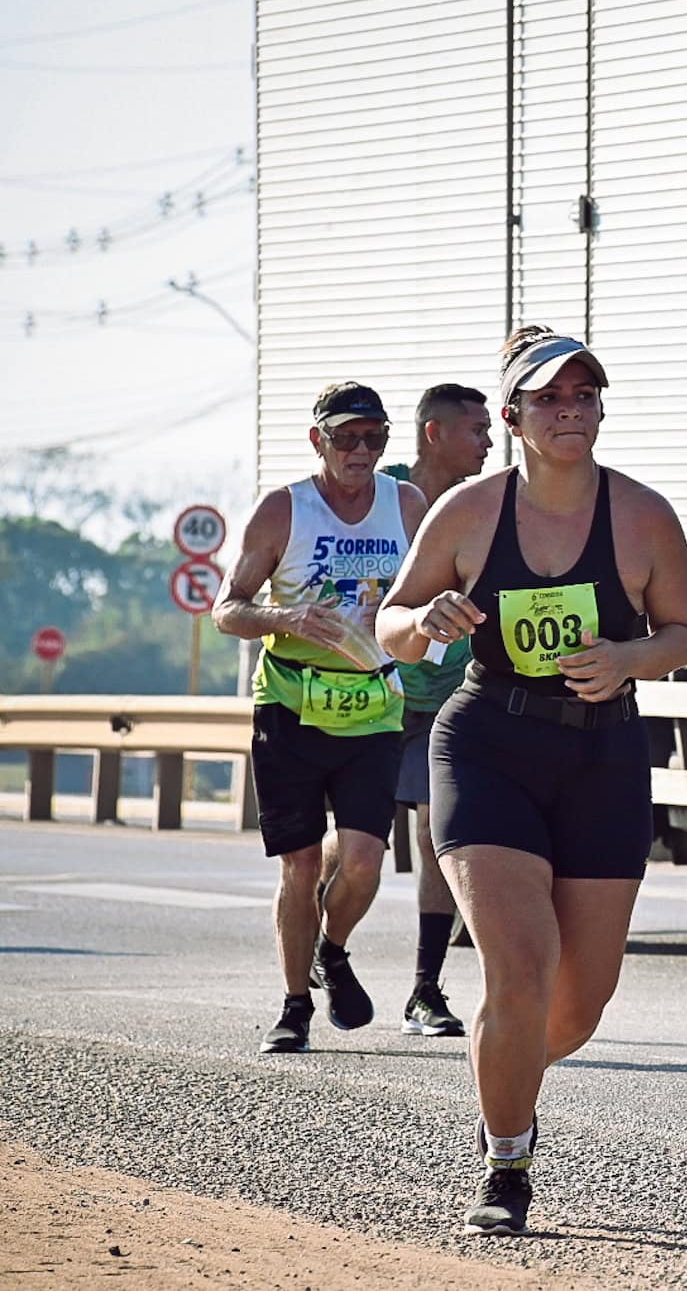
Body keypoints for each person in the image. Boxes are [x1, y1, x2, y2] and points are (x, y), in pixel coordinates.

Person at [375, 326, 687, 1237]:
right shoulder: (469, 514)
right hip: (489, 746)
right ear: (512, 415)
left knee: (579, 1002)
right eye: (550, 399)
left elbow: (685, 632)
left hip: (603, 757)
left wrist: (629, 657)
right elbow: (394, 625)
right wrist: (424, 618)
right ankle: (506, 1162)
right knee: (520, 966)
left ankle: (504, 1063)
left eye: (584, 396)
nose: (570, 411)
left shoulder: (641, 514)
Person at [214, 382, 428, 1054]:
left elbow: (436, 588)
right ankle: (295, 1004)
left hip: (374, 704)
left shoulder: (408, 505)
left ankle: (331, 949)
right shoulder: (285, 509)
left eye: (374, 437)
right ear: (318, 441)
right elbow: (227, 607)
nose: (361, 450)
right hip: (291, 704)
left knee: (364, 858)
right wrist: (284, 617)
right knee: (302, 864)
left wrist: (425, 620)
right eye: (346, 437)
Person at [379, 383, 493, 1037]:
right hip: (375, 693)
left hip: (446, 702)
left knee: (433, 835)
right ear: (434, 433)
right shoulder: (386, 496)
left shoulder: (489, 504)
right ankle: (319, 915)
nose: (487, 441)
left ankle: (425, 990)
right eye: (475, 429)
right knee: (357, 843)